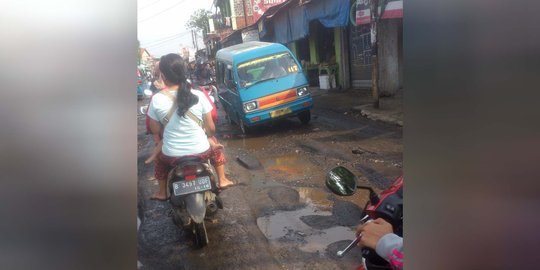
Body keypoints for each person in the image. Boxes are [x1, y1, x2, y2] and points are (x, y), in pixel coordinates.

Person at [145, 54, 233, 200]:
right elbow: (211, 129)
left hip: (171, 155)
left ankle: (162, 192)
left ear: (163, 76)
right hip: (201, 151)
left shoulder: (157, 99)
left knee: (159, 161)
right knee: (216, 148)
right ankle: (222, 180)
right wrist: (207, 137)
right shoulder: (198, 94)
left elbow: (154, 130)